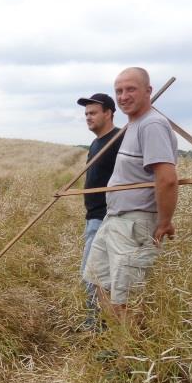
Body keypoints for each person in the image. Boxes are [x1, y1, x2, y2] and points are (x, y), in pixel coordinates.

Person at [85, 67, 179, 325]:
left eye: (130, 89)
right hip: (115, 220)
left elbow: (167, 179)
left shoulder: (152, 125)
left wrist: (164, 222)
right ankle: (117, 344)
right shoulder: (134, 125)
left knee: (125, 296)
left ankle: (129, 357)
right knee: (98, 281)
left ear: (148, 91)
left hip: (134, 224)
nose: (124, 96)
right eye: (119, 91)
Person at [76, 93, 121, 330]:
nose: (88, 117)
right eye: (86, 114)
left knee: (92, 274)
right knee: (95, 275)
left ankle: (97, 326)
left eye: (93, 113)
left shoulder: (119, 139)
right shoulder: (96, 143)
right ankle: (99, 324)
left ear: (109, 113)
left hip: (106, 217)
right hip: (93, 216)